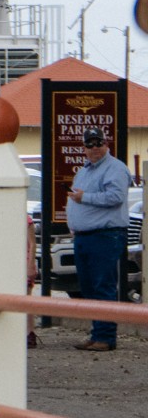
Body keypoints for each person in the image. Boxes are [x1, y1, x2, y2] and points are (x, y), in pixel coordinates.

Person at [67, 127, 132, 351]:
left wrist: (84, 197)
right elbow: (76, 200)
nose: (95, 148)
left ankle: (106, 337)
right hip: (84, 237)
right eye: (90, 144)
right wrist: (73, 224)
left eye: (98, 143)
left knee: (103, 286)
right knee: (88, 288)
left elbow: (116, 197)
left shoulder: (115, 168)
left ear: (107, 144)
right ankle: (96, 334)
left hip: (105, 236)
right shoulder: (84, 171)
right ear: (84, 149)